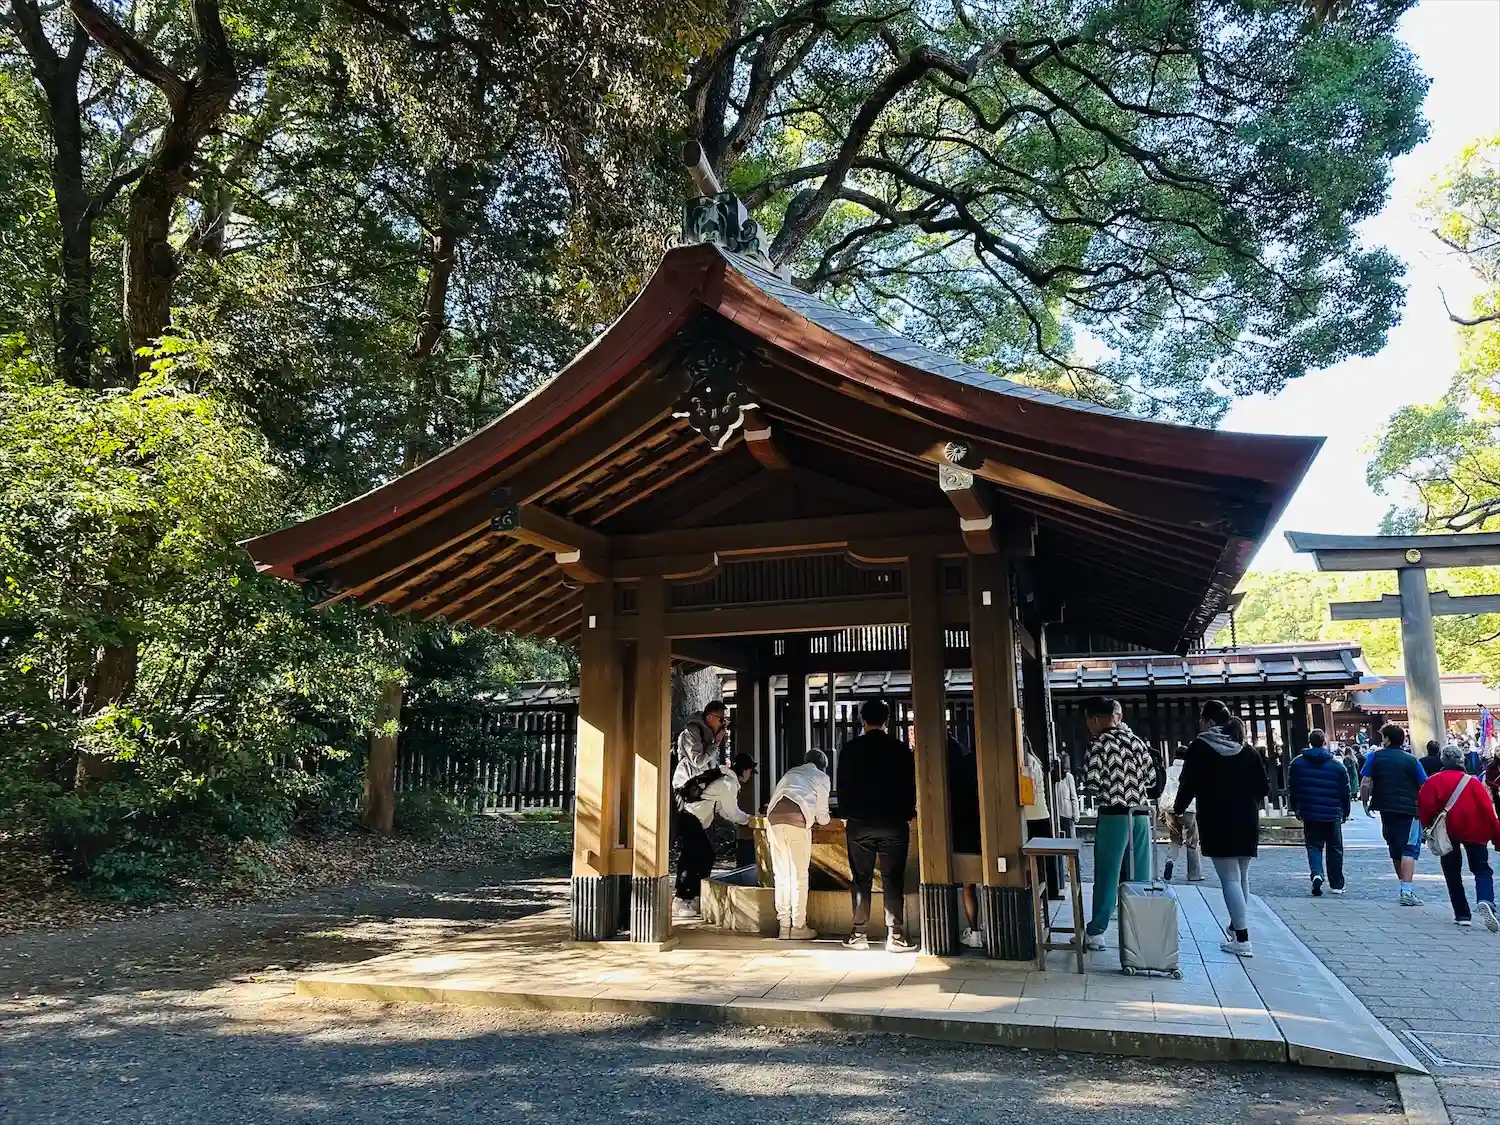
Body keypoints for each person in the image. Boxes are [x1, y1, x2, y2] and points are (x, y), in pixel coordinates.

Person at [1175, 701, 1268, 958]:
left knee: (1229, 878)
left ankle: (1242, 937)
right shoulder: (1247, 750)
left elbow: (1188, 783)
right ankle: (1236, 927)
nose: (1199, 723)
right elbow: (1263, 788)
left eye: (1201, 718)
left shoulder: (1200, 747)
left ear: (1209, 722)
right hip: (1246, 818)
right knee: (1241, 876)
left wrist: (1178, 808)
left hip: (1217, 818)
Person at [837, 698, 918, 952]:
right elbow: (910, 786)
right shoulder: (900, 750)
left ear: (862, 720)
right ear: (887, 721)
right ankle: (896, 935)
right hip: (894, 823)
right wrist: (908, 813)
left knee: (861, 878)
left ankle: (858, 933)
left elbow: (843, 786)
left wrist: (847, 814)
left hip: (860, 824)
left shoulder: (850, 749)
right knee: (893, 878)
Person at [1081, 696, 1156, 951]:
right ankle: (1139, 930)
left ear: (1094, 719)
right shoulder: (1137, 741)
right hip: (1141, 816)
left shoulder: (1098, 743)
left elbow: (1092, 783)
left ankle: (1096, 932)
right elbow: (1151, 779)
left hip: (1114, 816)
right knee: (1140, 875)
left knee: (1107, 874)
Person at [1418, 745, 1500, 930]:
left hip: (1446, 831)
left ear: (1443, 760)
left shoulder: (1433, 781)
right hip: (1475, 830)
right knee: (1482, 869)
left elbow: (1425, 808)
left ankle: (1462, 914)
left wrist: (1427, 830)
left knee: (1452, 872)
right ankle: (1485, 899)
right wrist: (1496, 836)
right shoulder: (1472, 782)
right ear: (1461, 760)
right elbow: (1488, 810)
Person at [673, 752, 755, 917]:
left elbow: (724, 811)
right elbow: (732, 812)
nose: (750, 775)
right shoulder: (728, 783)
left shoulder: (723, 778)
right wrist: (750, 820)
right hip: (691, 818)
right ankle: (682, 900)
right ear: (744, 770)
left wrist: (744, 819)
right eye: (750, 770)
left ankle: (693, 897)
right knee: (695, 857)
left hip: (689, 817)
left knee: (701, 855)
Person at [766, 748, 832, 939]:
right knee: (799, 876)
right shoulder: (821, 777)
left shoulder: (791, 773)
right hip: (797, 821)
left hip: (773, 820)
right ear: (823, 767)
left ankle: (783, 926)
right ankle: (798, 926)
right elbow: (823, 818)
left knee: (781, 875)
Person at [1360, 723, 1428, 907]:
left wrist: (1365, 802)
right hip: (1409, 810)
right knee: (1409, 848)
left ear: (1388, 739)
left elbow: (1366, 782)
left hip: (1385, 807)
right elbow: (1424, 785)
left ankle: (1404, 887)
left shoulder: (1374, 757)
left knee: (1395, 848)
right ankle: (1406, 891)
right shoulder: (1412, 760)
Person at [1287, 729, 1351, 897]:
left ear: (1310, 742)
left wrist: (1296, 807)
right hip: (1332, 811)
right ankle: (1336, 883)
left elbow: (1293, 789)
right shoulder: (1337, 766)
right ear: (1324, 742)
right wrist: (1346, 810)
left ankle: (1317, 873)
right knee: (1334, 847)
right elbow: (1345, 791)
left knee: (1314, 845)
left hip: (1309, 810)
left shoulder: (1297, 764)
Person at [947, 732, 985, 949]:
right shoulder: (993, 762)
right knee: (993, 879)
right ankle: (992, 928)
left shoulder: (960, 768)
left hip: (963, 829)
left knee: (968, 883)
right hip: (989, 826)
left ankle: (975, 932)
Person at [1159, 745, 1203, 883]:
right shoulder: (1191, 770)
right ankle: (1194, 874)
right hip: (1188, 809)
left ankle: (1170, 860)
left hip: (1169, 809)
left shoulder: (1167, 771)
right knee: (1192, 841)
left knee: (1175, 839)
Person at [1022, 739, 1059, 900]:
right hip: (1042, 814)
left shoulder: (1026, 764)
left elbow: (1027, 794)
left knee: (1033, 858)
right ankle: (1051, 890)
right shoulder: (1035, 761)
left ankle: (1038, 893)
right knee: (1047, 857)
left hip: (1031, 816)